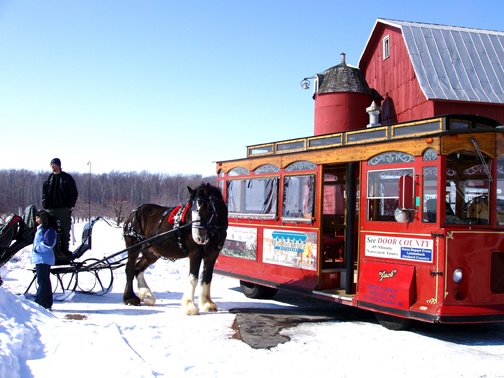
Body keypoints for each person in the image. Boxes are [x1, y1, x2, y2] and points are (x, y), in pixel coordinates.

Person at [42, 158, 78, 258]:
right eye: (51, 164)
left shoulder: (67, 178)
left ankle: (64, 251)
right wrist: (45, 205)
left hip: (63, 208)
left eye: (54, 164)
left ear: (59, 165)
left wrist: (69, 206)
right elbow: (44, 193)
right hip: (51, 209)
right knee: (50, 231)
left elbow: (73, 193)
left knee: (65, 230)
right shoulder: (49, 179)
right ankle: (52, 252)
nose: (53, 166)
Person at [31, 210, 56, 310]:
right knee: (44, 280)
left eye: (38, 218)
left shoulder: (48, 229)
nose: (36, 220)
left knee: (42, 281)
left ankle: (41, 302)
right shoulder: (42, 228)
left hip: (43, 258)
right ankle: (46, 302)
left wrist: (37, 249)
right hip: (41, 258)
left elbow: (48, 243)